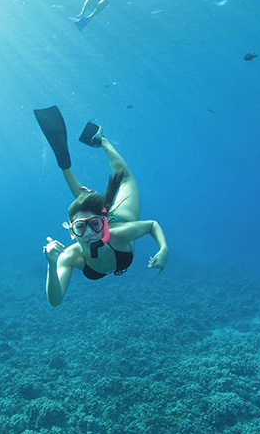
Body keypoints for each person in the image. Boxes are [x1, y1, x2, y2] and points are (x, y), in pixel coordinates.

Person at [34, 106, 169, 307]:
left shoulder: (120, 233)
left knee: (124, 177)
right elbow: (55, 300)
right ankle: (66, 166)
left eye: (95, 225)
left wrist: (164, 249)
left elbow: (151, 225)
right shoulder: (69, 256)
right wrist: (51, 266)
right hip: (101, 217)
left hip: (121, 217)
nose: (89, 233)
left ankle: (101, 139)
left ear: (103, 222)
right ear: (71, 233)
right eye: (80, 228)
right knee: (84, 206)